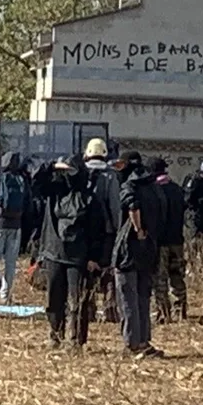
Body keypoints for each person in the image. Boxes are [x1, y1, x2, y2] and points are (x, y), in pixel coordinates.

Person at [34, 156, 109, 349]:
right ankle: (55, 335)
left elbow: (97, 231)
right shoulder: (54, 193)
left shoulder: (89, 199)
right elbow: (36, 180)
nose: (68, 175)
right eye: (65, 172)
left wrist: (94, 258)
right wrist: (51, 165)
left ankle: (76, 340)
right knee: (54, 300)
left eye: (71, 171)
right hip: (54, 253)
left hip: (79, 258)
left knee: (78, 302)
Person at [113, 151, 166, 359]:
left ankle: (132, 344)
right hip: (150, 250)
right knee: (144, 296)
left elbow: (132, 206)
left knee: (127, 297)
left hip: (130, 249)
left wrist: (138, 229)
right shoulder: (154, 187)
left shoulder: (129, 186)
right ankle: (144, 340)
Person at [84, 138, 121, 323]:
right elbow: (115, 205)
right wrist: (117, 228)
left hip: (83, 232)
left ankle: (87, 309)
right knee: (108, 271)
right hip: (105, 231)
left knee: (86, 272)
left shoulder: (80, 173)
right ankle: (110, 310)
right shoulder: (110, 176)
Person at [0, 151, 29, 303]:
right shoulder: (22, 180)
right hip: (16, 226)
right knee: (10, 262)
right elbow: (29, 204)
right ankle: (5, 296)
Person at [149, 157, 187, 323]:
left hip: (161, 242)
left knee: (160, 278)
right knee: (177, 276)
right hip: (177, 240)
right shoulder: (177, 190)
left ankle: (164, 312)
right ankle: (181, 310)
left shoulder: (154, 191)